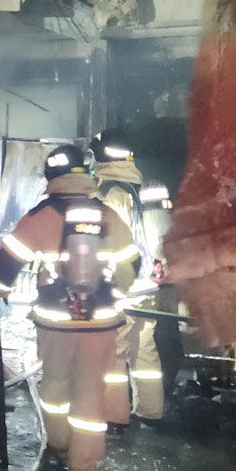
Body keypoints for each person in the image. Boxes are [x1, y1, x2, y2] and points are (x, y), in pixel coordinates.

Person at [0, 144, 137, 471]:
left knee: (54, 386)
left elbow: (7, 263)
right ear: (86, 174)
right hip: (101, 323)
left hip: (56, 323)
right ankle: (83, 467)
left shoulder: (41, 216)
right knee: (91, 392)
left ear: (51, 177)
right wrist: (113, 293)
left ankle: (58, 445)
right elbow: (132, 264)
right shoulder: (107, 214)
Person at [88, 129, 162, 425]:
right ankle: (151, 412)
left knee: (113, 353)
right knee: (144, 349)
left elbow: (109, 244)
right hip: (149, 282)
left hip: (122, 285)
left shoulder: (110, 194)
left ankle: (113, 416)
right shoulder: (141, 186)